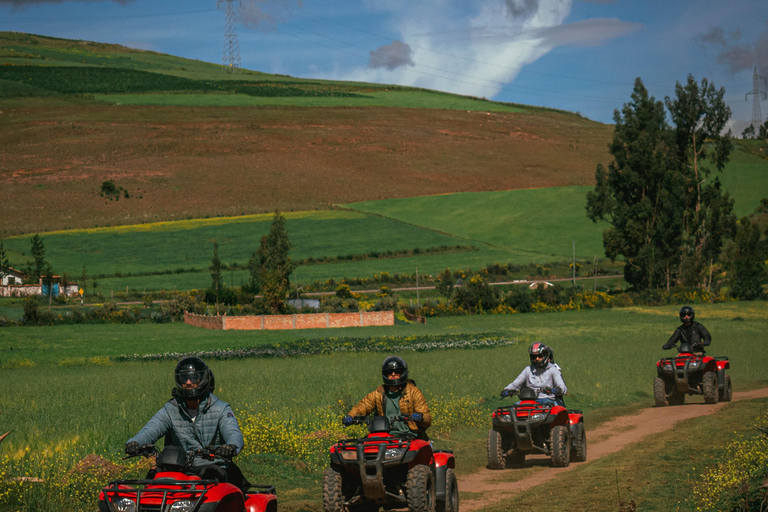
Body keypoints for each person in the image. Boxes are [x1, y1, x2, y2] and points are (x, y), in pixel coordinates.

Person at [124, 356, 250, 491]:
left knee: (211, 477)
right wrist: (134, 443)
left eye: (194, 378)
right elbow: (150, 429)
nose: (189, 382)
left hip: (211, 465)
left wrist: (231, 447)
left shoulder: (220, 408)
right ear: (179, 381)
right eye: (184, 379)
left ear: (202, 380)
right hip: (178, 466)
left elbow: (233, 433)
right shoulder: (171, 409)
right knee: (153, 477)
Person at [343, 355, 432, 439]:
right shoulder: (379, 393)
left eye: (397, 372)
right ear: (385, 374)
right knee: (361, 449)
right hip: (385, 435)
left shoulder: (413, 392)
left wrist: (420, 416)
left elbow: (427, 417)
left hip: (410, 435)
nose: (393, 374)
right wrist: (351, 416)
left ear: (403, 373)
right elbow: (363, 406)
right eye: (389, 372)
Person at [500, 342, 567, 406]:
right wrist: (507, 390)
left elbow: (562, 387)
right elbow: (515, 384)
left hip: (547, 400)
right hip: (529, 400)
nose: (537, 359)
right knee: (514, 408)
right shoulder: (528, 370)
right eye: (534, 357)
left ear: (545, 356)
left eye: (540, 356)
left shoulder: (553, 370)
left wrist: (558, 390)